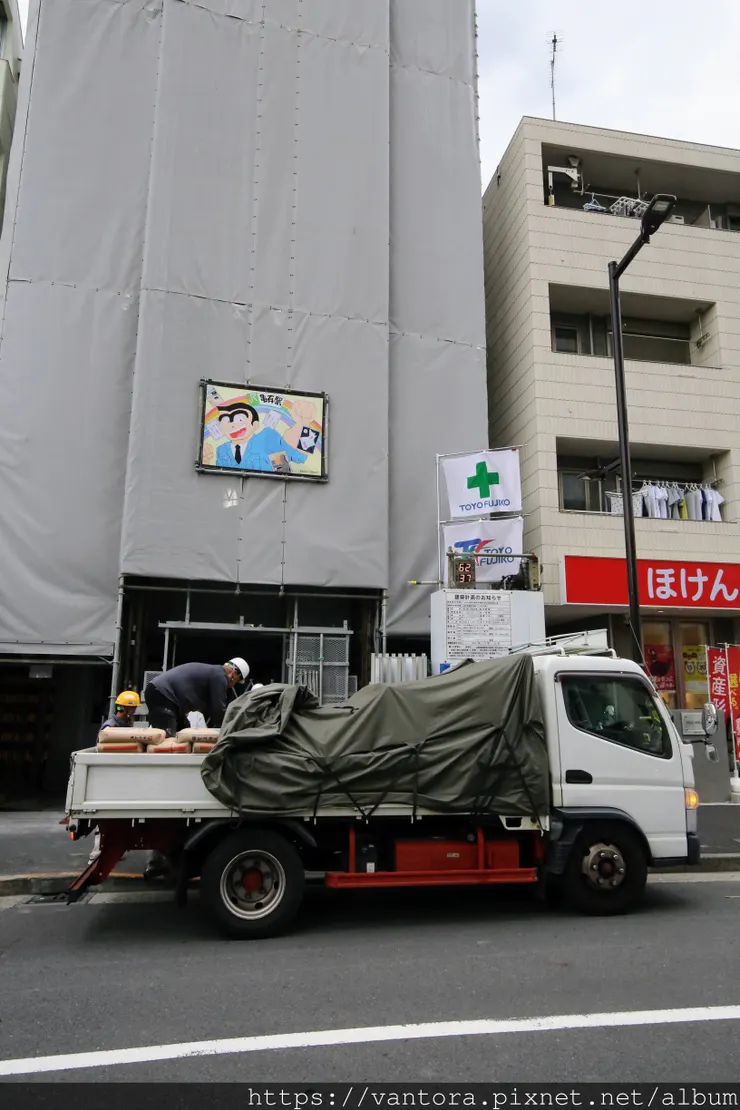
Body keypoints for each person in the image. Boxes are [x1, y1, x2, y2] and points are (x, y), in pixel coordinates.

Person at [143, 658, 249, 737]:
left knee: (184, 733)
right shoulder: (220, 676)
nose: (232, 685)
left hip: (168, 698)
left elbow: (211, 709)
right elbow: (218, 713)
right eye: (236, 681)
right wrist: (236, 727)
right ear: (234, 674)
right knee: (168, 738)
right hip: (162, 694)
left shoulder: (213, 674)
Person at [214, 399, 315, 473]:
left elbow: (297, 459)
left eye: (239, 419)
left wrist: (305, 424)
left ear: (255, 425)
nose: (233, 425)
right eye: (226, 421)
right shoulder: (221, 450)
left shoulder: (267, 438)